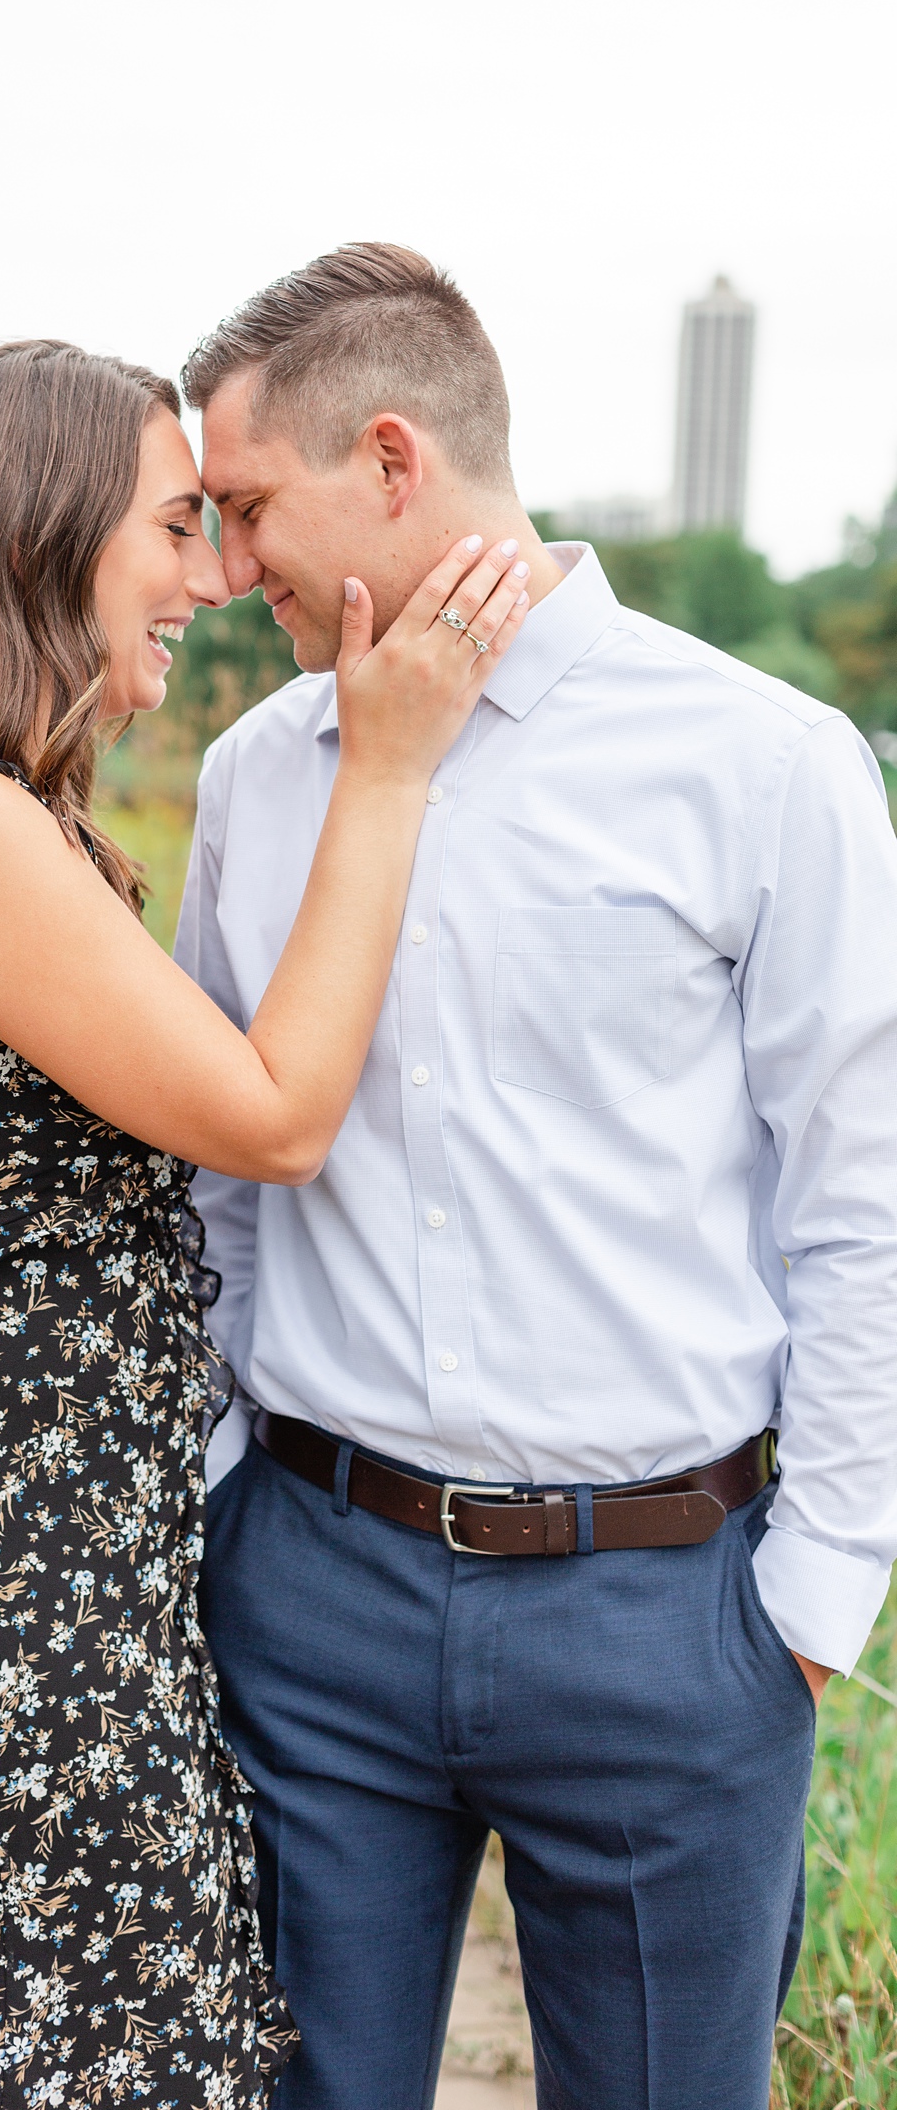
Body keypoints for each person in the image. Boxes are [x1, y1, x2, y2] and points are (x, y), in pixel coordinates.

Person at [0, 337, 529, 2104]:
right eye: (173, 526)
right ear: (45, 531)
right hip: (1, 1564)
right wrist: (387, 769)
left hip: (17, 1529)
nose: (211, 577)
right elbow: (273, 1115)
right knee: (44, 2035)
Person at [175, 244, 897, 2106]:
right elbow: (220, 1188)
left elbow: (863, 1203)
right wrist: (226, 1501)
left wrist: (806, 1607)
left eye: (247, 506)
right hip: (310, 1602)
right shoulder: (257, 777)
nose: (226, 565)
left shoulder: (763, 763)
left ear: (390, 461)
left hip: (665, 1622)